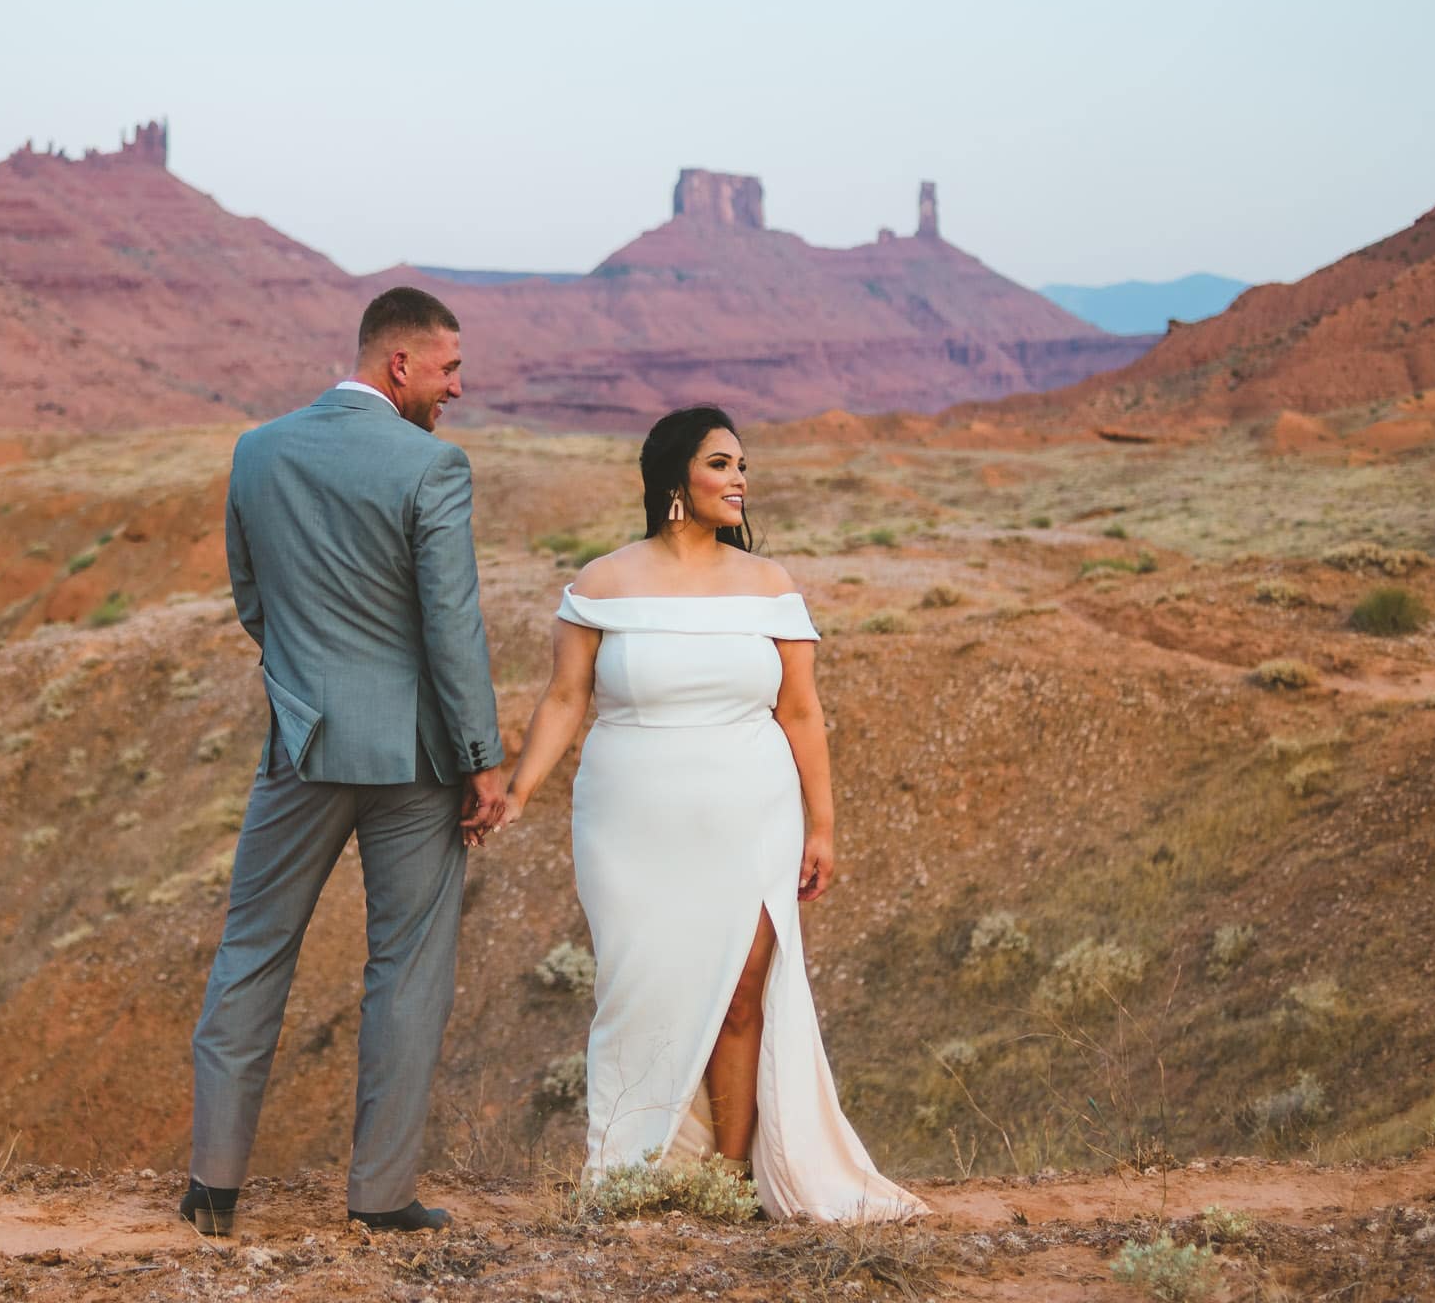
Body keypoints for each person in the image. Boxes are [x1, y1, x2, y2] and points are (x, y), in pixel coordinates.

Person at [468, 405, 926, 1222]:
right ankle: (632, 1166)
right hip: (628, 820)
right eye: (721, 464)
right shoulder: (602, 583)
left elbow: (803, 714)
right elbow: (566, 699)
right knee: (639, 986)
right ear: (675, 479)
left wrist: (823, 826)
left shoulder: (770, 586)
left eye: (742, 464)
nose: (740, 478)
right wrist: (522, 788)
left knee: (745, 989)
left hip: (751, 811)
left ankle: (733, 1177)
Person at [183, 286, 508, 1236]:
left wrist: (304, 692)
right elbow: (453, 629)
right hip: (416, 759)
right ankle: (381, 1197)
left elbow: (253, 599)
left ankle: (212, 1190)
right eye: (448, 368)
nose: (458, 386)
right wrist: (483, 761)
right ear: (398, 364)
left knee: (251, 954)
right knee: (405, 970)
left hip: (304, 745)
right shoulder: (433, 466)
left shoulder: (258, 450)